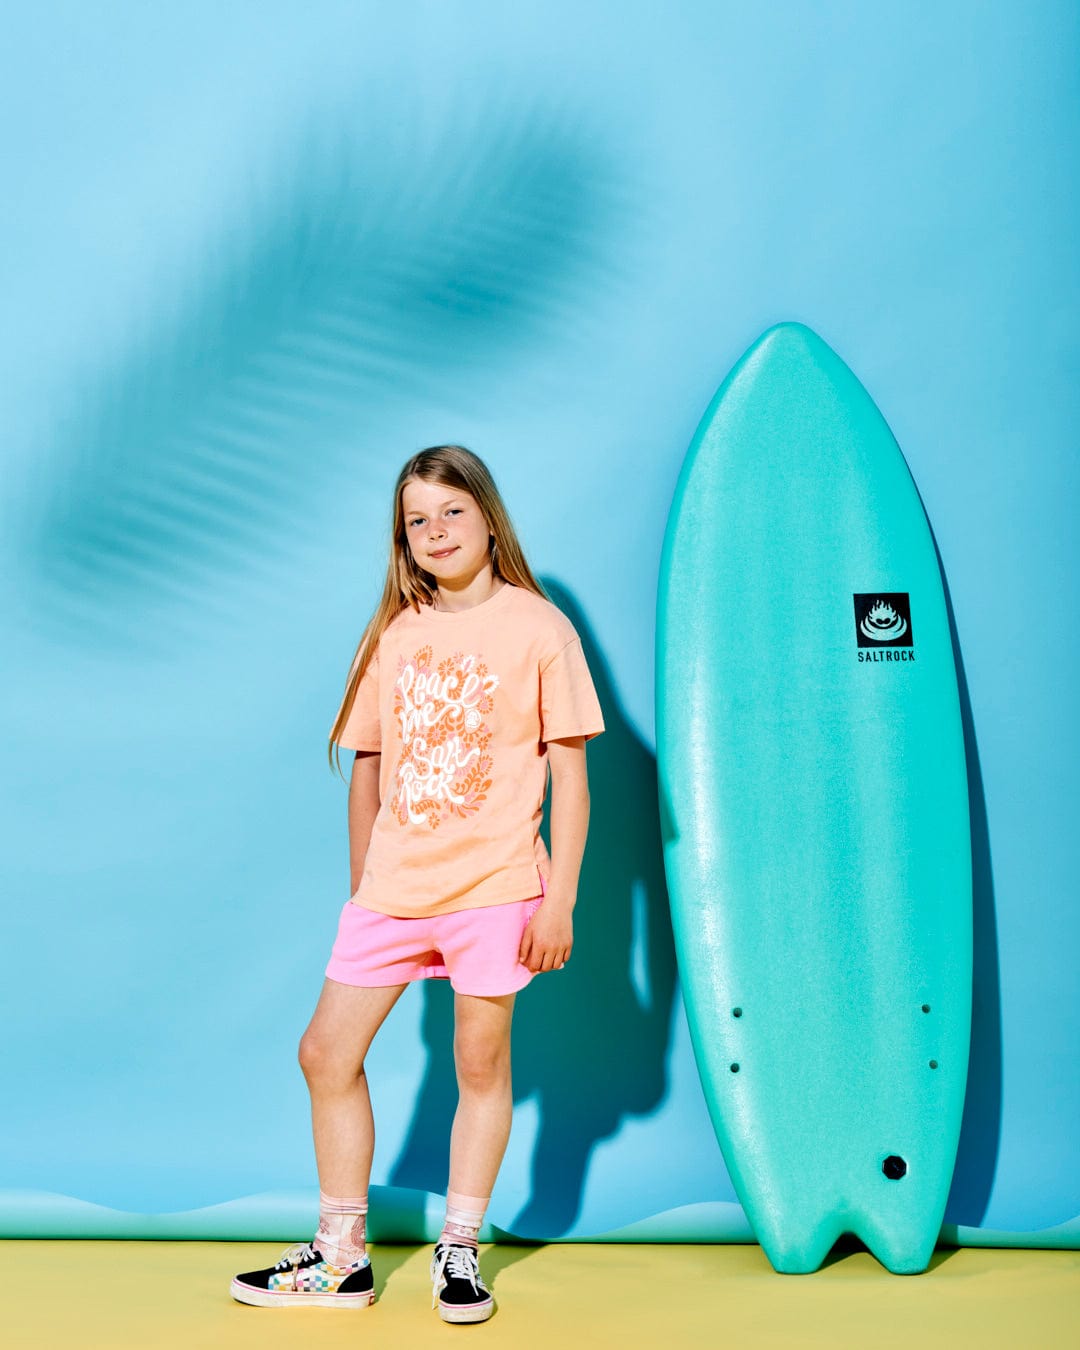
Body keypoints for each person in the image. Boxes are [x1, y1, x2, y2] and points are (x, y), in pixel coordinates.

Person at [230, 445, 604, 1322]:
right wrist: (367, 882)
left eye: (451, 512)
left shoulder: (539, 628)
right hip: (396, 890)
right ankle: (341, 1255)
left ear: (487, 517)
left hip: (496, 886)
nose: (435, 532)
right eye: (416, 520)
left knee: (480, 1063)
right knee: (325, 1053)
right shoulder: (398, 631)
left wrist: (561, 901)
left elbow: (571, 774)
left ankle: (461, 1250)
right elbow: (365, 762)